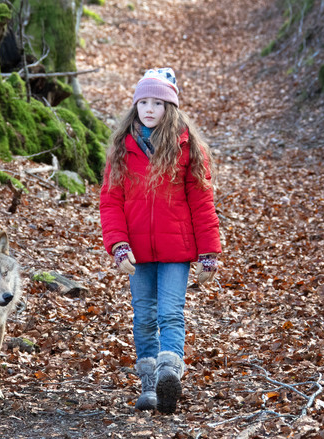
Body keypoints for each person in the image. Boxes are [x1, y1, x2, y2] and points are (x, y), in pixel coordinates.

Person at [99, 68, 222, 414]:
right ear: (135, 105)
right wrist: (118, 245)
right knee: (143, 316)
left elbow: (202, 202)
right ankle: (150, 384)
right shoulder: (123, 150)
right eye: (143, 102)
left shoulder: (187, 148)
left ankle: (170, 374)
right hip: (136, 251)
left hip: (176, 251)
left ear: (170, 107)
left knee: (170, 313)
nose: (149, 109)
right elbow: (110, 202)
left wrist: (209, 251)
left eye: (158, 102)